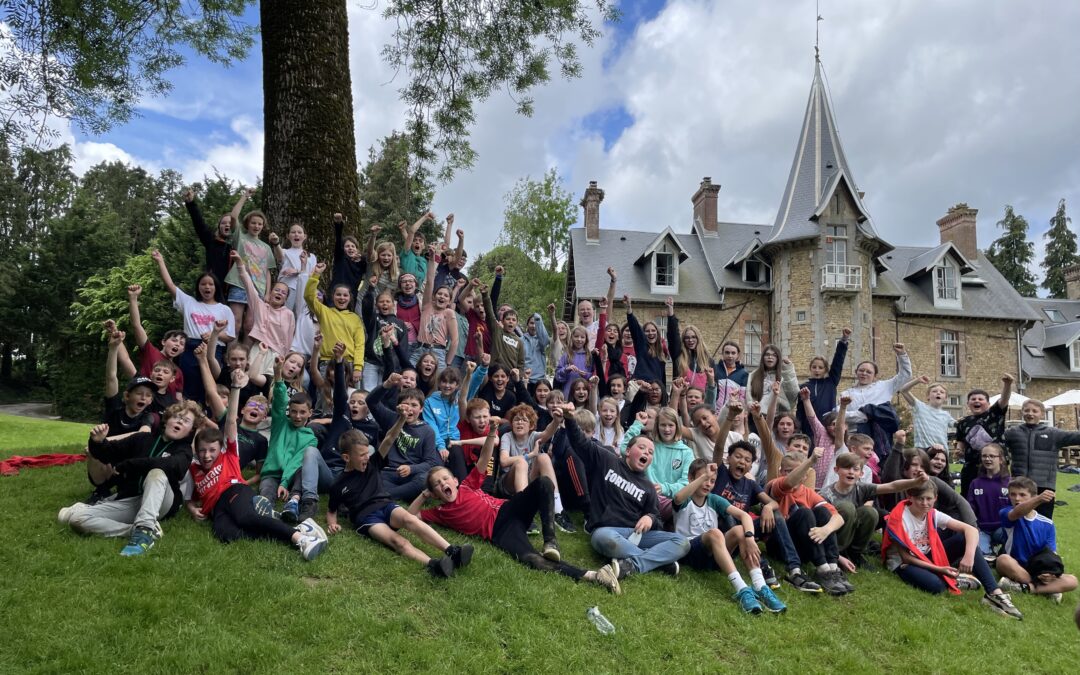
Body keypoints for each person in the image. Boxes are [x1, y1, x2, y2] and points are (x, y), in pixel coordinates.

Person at [409, 424, 621, 593]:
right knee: (533, 561)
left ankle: (551, 541)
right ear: (435, 494)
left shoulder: (467, 486)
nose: (443, 484)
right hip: (499, 532)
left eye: (445, 479)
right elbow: (410, 516)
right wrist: (424, 494)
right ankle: (594, 576)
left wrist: (492, 433)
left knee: (544, 483)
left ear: (455, 480)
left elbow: (484, 459)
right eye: (437, 484)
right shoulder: (439, 513)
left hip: (509, 509)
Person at [186, 370, 328, 560]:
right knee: (226, 534)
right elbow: (189, 497)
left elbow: (230, 422)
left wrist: (236, 388)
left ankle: (300, 538)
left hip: (234, 490)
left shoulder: (227, 455)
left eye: (212, 450)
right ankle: (293, 528)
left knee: (246, 518)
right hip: (215, 508)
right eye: (202, 450)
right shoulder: (194, 470)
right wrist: (192, 509)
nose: (206, 455)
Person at [556, 403, 691, 581]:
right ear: (628, 451)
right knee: (602, 538)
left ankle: (632, 565)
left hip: (636, 534)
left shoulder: (648, 487)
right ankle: (659, 562)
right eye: (642, 448)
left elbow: (657, 518)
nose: (647, 453)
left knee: (682, 542)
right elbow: (580, 443)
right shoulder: (607, 460)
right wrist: (570, 418)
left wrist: (649, 518)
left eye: (651, 452)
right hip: (608, 530)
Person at [58, 400, 204, 557]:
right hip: (132, 500)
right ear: (167, 419)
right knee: (77, 520)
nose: (180, 421)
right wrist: (97, 441)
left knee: (157, 472)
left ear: (190, 430)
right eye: (177, 416)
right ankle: (135, 530)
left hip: (162, 502)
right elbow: (107, 452)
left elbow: (172, 466)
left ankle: (144, 532)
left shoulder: (184, 451)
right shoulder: (141, 438)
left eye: (186, 420)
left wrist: (129, 465)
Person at [331, 418, 471, 578]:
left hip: (386, 506)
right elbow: (331, 509)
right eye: (362, 455)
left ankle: (453, 551)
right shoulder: (338, 484)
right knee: (398, 541)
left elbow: (389, 438)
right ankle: (434, 565)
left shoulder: (373, 463)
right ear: (347, 458)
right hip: (367, 518)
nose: (366, 457)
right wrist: (333, 523)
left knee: (411, 520)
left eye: (367, 453)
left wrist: (401, 419)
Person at [882, 481, 1023, 619]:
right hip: (905, 563)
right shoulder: (898, 518)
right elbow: (906, 558)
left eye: (929, 498)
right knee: (936, 587)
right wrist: (940, 570)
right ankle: (957, 580)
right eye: (920, 498)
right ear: (910, 497)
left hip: (926, 556)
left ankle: (994, 594)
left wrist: (969, 556)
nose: (925, 503)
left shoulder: (932, 513)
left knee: (964, 540)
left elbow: (971, 530)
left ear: (935, 498)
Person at [673, 459, 787, 614]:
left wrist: (750, 538)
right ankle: (742, 589)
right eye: (704, 479)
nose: (708, 484)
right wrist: (704, 475)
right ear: (691, 478)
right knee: (715, 533)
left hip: (715, 555)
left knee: (740, 530)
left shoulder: (713, 499)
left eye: (712, 481)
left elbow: (744, 516)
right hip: (690, 552)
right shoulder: (686, 498)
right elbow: (678, 498)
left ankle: (760, 585)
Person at [151, 249, 234, 402]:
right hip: (190, 348)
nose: (207, 287)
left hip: (214, 349)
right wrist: (160, 261)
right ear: (198, 287)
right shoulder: (189, 302)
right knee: (187, 388)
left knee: (208, 387)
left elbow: (230, 336)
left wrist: (214, 335)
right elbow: (169, 284)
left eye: (211, 284)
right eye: (203, 284)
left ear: (216, 287)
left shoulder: (224, 309)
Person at [820, 452, 928, 569]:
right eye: (846, 467)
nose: (851, 472)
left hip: (852, 529)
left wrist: (916, 482)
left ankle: (855, 553)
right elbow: (821, 523)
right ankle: (838, 554)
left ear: (861, 474)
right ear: (836, 470)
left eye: (855, 469)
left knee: (870, 512)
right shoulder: (826, 494)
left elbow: (892, 486)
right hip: (834, 534)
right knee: (848, 507)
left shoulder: (861, 487)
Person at [765, 448, 851, 595]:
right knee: (805, 513)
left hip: (802, 547)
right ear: (781, 472)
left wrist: (826, 529)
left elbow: (838, 519)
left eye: (799, 471)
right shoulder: (776, 484)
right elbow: (789, 481)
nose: (794, 475)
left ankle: (832, 568)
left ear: (805, 475)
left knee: (823, 512)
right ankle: (822, 569)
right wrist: (810, 461)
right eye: (788, 470)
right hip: (779, 545)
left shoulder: (808, 492)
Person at [995, 477, 1078, 602]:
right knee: (1002, 560)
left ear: (1032, 496)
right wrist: (1039, 499)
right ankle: (1049, 590)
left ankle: (1026, 588)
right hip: (1015, 565)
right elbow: (1016, 513)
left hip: (1039, 569)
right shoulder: (1006, 512)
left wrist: (1051, 573)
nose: (1017, 498)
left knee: (1073, 581)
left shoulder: (1047, 523)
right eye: (1013, 494)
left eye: (1022, 495)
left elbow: (1051, 553)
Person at [259, 357, 320, 522]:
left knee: (302, 471)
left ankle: (293, 502)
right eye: (293, 411)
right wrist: (278, 373)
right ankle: (266, 513)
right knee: (266, 493)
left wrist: (285, 483)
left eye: (302, 412)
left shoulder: (310, 438)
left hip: (293, 475)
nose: (297, 416)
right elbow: (280, 398)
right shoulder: (280, 422)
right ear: (289, 411)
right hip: (271, 472)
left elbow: (296, 462)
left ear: (310, 413)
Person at [366, 376, 441, 502]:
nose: (409, 409)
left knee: (423, 481)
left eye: (414, 405)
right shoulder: (391, 418)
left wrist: (411, 468)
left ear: (421, 409)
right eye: (405, 404)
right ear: (398, 406)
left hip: (413, 475)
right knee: (374, 479)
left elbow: (430, 462)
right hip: (390, 472)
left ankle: (383, 496)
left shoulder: (428, 431)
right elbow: (371, 401)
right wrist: (387, 384)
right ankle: (394, 494)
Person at [1003, 398, 1080, 519]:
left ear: (1042, 414)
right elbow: (995, 444)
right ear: (1022, 412)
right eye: (1027, 410)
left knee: (1043, 521)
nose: (1030, 413)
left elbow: (1076, 437)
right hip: (1020, 485)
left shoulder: (1053, 434)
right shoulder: (1012, 432)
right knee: (1018, 520)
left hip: (1044, 486)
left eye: (1035, 411)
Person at [305, 261, 365, 386]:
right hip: (327, 363)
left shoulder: (355, 318)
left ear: (349, 298)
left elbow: (359, 344)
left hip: (349, 364)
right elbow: (309, 296)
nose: (341, 298)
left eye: (345, 295)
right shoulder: (324, 312)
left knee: (350, 402)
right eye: (338, 295)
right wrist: (316, 274)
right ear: (333, 297)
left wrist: (358, 367)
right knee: (326, 400)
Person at [223, 201, 278, 338]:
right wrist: (244, 197)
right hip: (239, 284)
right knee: (235, 322)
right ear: (247, 223)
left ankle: (247, 357)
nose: (256, 226)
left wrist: (267, 293)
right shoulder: (240, 238)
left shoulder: (266, 247)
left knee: (251, 326)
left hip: (258, 289)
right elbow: (233, 217)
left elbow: (267, 271)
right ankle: (232, 356)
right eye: (253, 223)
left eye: (260, 224)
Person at [954, 374, 1013, 498]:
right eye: (973, 399)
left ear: (988, 403)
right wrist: (959, 449)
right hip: (971, 466)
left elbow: (1004, 400)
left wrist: (1007, 385)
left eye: (980, 399)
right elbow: (960, 440)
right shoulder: (963, 422)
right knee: (968, 496)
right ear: (968, 403)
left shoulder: (994, 415)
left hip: (995, 465)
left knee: (996, 495)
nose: (976, 401)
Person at [125, 283, 186, 401]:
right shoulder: (150, 351)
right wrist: (133, 298)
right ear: (163, 342)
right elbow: (137, 326)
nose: (177, 344)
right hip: (144, 402)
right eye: (174, 340)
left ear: (182, 350)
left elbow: (178, 398)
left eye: (181, 344)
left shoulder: (178, 372)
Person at [232, 249, 296, 359]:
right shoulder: (260, 306)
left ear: (285, 299)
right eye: (277, 290)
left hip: (278, 354)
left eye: (283, 293)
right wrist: (239, 263)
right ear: (270, 293)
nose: (279, 293)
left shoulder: (289, 314)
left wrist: (285, 356)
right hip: (259, 348)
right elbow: (249, 285)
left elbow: (289, 338)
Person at [182, 188, 234, 302]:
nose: (227, 225)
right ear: (219, 227)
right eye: (224, 223)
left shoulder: (238, 245)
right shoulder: (211, 241)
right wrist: (191, 203)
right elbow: (199, 224)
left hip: (233, 293)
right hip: (213, 291)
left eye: (230, 223)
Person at [796, 328, 849, 437]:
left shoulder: (831, 382)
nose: (817, 370)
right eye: (814, 367)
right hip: (808, 428)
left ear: (825, 370)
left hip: (827, 427)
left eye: (820, 367)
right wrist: (798, 428)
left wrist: (843, 341)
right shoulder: (804, 386)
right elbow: (800, 410)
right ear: (810, 368)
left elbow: (838, 362)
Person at [416, 244, 459, 371]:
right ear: (434, 296)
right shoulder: (427, 305)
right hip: (420, 349)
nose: (442, 296)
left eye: (446, 296)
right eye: (439, 294)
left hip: (438, 351)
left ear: (449, 301)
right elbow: (430, 281)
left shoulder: (449, 313)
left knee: (438, 385)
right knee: (411, 376)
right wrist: (433, 258)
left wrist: (448, 362)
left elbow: (455, 340)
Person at [966, 443, 1010, 557]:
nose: (987, 459)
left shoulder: (1010, 482)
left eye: (992, 456)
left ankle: (1001, 550)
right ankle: (990, 549)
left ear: (1000, 459)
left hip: (1003, 529)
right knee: (983, 557)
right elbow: (970, 509)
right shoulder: (975, 483)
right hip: (982, 529)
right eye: (984, 456)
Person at [899, 376, 955, 450]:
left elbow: (958, 424)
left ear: (945, 398)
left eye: (942, 392)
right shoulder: (920, 407)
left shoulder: (946, 415)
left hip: (942, 451)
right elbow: (903, 390)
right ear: (928, 396)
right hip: (922, 450)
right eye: (934, 391)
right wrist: (917, 380)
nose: (938, 393)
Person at [330, 212, 366, 309]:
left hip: (350, 298)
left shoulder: (361, 263)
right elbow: (338, 241)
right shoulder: (340, 259)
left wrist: (361, 257)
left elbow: (370, 260)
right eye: (347, 246)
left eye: (353, 246)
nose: (350, 248)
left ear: (357, 249)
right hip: (335, 296)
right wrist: (338, 225)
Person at [748, 346, 798, 415]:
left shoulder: (783, 375)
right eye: (767, 354)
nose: (770, 357)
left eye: (774, 355)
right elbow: (748, 397)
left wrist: (788, 369)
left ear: (778, 358)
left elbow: (793, 395)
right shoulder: (753, 375)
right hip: (757, 417)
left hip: (778, 418)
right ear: (763, 358)